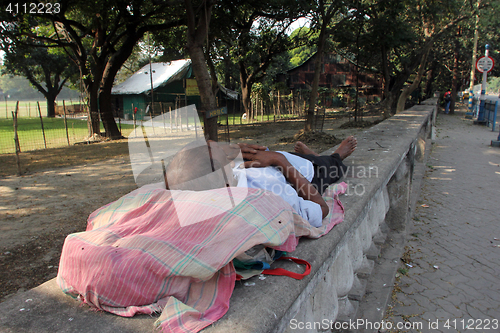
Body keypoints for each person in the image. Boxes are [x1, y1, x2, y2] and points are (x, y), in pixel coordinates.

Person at [165, 137, 357, 228]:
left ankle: (310, 155)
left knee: (284, 155)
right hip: (304, 175)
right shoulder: (269, 197)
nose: (220, 145)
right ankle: (334, 154)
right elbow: (321, 210)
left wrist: (243, 151)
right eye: (219, 151)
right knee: (332, 166)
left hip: (278, 160)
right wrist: (279, 161)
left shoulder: (221, 179)